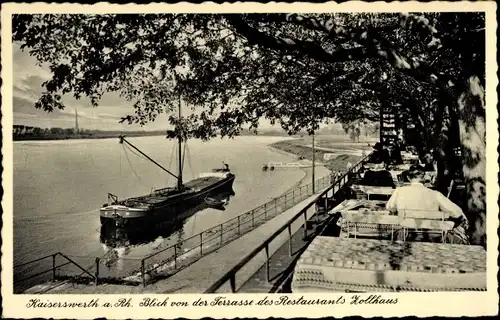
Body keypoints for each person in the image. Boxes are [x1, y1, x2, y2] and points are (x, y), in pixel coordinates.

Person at [386, 165, 469, 243]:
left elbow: (390, 207)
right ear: (424, 178)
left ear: (408, 177)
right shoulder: (435, 194)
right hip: (431, 236)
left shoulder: (399, 191)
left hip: (405, 235)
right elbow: (457, 212)